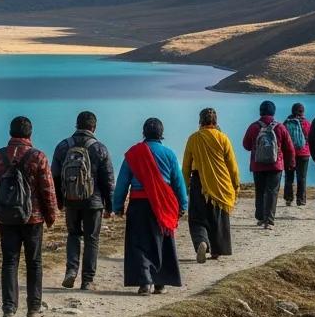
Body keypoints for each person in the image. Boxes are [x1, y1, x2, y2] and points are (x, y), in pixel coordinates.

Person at [0, 116, 58, 317]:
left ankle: (9, 309)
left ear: (10, 132)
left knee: (9, 262)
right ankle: (33, 308)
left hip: (6, 219)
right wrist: (51, 215)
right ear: (30, 133)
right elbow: (47, 190)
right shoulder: (38, 156)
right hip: (33, 219)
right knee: (34, 262)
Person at [113, 117, 188, 294]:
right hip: (163, 204)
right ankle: (160, 283)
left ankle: (145, 282)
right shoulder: (169, 154)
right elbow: (178, 182)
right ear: (161, 134)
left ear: (144, 133)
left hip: (138, 204)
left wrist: (118, 206)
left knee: (139, 242)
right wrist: (183, 205)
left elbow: (122, 182)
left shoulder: (133, 153)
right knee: (161, 241)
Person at [51, 110, 115, 291]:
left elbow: (54, 175)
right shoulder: (100, 148)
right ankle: (87, 280)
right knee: (91, 238)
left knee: (73, 235)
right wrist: (110, 205)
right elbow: (108, 179)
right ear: (94, 127)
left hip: (71, 199)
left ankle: (71, 271)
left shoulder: (63, 146)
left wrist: (60, 201)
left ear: (76, 125)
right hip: (94, 202)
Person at [181, 107, 240, 262]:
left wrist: (183, 188)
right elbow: (232, 166)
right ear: (215, 121)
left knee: (197, 218)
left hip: (198, 183)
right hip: (221, 182)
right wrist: (235, 185)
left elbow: (186, 166)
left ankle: (202, 241)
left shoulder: (193, 138)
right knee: (217, 217)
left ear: (200, 121)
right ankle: (216, 251)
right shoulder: (223, 138)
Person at [242, 100, 296, 230]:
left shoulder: (254, 127)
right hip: (275, 166)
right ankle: (269, 221)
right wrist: (290, 163)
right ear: (273, 112)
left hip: (258, 165)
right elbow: (289, 148)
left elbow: (246, 145)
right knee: (272, 192)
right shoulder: (280, 127)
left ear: (260, 111)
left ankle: (260, 217)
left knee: (260, 191)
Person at [283, 103, 312, 208]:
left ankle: (288, 199)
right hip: (304, 154)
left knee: (289, 177)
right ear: (302, 112)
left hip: (289, 153)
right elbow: (311, 139)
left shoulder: (286, 123)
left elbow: (282, 139)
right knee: (302, 177)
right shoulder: (307, 124)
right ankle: (301, 200)